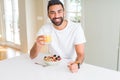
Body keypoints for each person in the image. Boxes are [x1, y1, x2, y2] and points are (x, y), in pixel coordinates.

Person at [30, 0, 86, 73]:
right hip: (52, 66)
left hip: (70, 65)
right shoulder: (45, 28)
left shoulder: (76, 28)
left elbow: (81, 54)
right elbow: (32, 56)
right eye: (52, 13)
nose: (56, 16)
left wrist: (77, 64)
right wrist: (37, 45)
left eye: (59, 11)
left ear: (64, 12)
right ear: (48, 15)